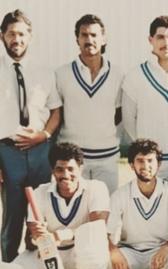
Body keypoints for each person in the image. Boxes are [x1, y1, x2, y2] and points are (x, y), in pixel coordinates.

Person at [0, 9, 62, 262]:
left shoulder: (44, 71)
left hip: (40, 152)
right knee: (13, 218)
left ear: (30, 36)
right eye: (12, 33)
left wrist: (44, 134)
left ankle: (43, 263)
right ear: (2, 36)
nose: (17, 39)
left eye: (22, 34)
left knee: (41, 216)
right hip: (7, 153)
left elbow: (56, 111)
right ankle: (7, 262)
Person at [122, 16, 168, 199]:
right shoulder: (135, 76)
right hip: (151, 160)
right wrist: (146, 150)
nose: (165, 42)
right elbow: (129, 120)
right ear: (151, 40)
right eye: (160, 37)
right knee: (153, 211)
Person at [13, 143, 110, 269]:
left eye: (71, 169)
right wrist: (36, 236)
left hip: (82, 253)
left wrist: (60, 235)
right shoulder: (39, 192)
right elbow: (29, 242)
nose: (65, 175)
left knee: (93, 250)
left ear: (80, 169)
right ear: (52, 171)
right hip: (50, 252)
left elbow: (96, 228)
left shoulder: (96, 188)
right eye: (59, 169)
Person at [55, 14, 123, 193]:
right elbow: (57, 114)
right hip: (73, 159)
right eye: (84, 35)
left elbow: (119, 113)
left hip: (107, 158)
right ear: (77, 39)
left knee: (106, 213)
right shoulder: (61, 74)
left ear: (103, 38)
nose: (89, 40)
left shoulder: (118, 74)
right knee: (74, 215)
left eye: (94, 35)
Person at [107, 139, 168, 269]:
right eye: (140, 161)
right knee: (107, 260)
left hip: (160, 249)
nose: (145, 165)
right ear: (132, 165)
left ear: (159, 164)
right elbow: (105, 234)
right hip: (130, 251)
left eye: (150, 160)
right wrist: (114, 251)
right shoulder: (120, 194)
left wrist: (167, 247)